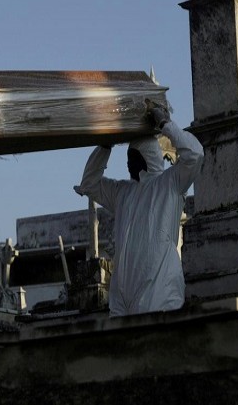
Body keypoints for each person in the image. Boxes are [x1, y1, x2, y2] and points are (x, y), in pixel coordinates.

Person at [74, 105, 204, 316]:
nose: (127, 163)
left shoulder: (169, 184)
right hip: (122, 294)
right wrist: (105, 146)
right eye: (127, 157)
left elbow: (195, 155)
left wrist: (165, 125)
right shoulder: (122, 193)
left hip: (159, 291)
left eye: (132, 157)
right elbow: (89, 184)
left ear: (148, 157)